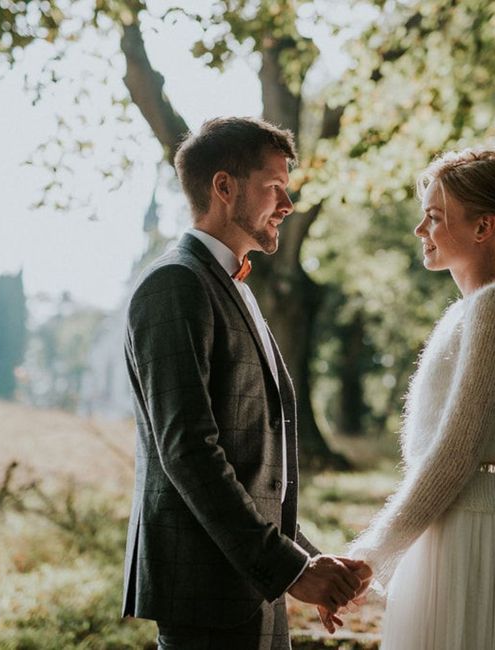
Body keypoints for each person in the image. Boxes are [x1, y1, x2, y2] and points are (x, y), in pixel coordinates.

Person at [121, 116, 370, 650]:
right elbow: (188, 451)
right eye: (274, 187)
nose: (287, 205)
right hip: (203, 592)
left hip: (253, 585)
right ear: (224, 187)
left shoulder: (237, 289)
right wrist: (290, 569)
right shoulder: (174, 285)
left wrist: (304, 560)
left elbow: (254, 470)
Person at [345, 147, 495, 649]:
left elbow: (458, 448)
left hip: (473, 527)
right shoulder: (469, 311)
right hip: (448, 521)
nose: (421, 229)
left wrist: (372, 553)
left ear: (484, 227)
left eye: (435, 217)